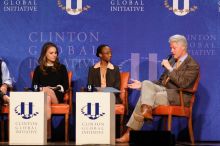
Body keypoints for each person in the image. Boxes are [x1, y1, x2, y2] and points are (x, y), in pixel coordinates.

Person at [116, 34, 200, 143]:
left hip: (178, 97)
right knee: (146, 82)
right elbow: (161, 82)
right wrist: (142, 86)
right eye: (171, 48)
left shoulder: (192, 65)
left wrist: (170, 68)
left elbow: (183, 84)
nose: (171, 50)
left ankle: (130, 132)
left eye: (174, 48)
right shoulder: (172, 60)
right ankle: (146, 110)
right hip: (164, 91)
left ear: (183, 47)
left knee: (146, 99)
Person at [87, 44, 122, 138]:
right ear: (100, 55)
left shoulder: (115, 69)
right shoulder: (92, 69)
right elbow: (89, 85)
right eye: (107, 53)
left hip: (111, 96)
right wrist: (91, 93)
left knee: (107, 99)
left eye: (110, 53)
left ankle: (109, 133)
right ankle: (96, 134)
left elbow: (117, 87)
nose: (110, 55)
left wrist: (106, 92)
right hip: (96, 96)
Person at [32, 42, 69, 120]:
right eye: (51, 53)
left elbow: (66, 86)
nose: (54, 55)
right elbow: (34, 87)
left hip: (57, 96)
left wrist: (52, 89)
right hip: (42, 96)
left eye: (55, 53)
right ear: (45, 54)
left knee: (48, 92)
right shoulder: (38, 69)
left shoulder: (62, 68)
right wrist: (44, 89)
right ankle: (46, 129)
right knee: (47, 97)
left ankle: (42, 129)